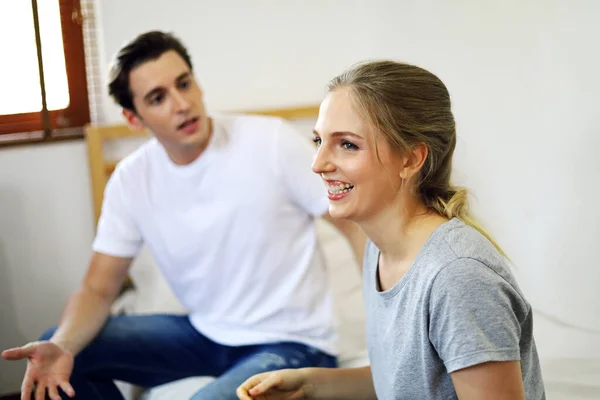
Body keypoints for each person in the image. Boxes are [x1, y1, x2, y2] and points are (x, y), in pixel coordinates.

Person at [1, 31, 365, 400]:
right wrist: (64, 343)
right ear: (133, 117)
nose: (181, 104)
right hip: (202, 333)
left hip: (292, 343)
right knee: (58, 348)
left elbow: (354, 222)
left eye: (184, 84)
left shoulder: (269, 142)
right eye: (158, 98)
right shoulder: (131, 180)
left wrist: (385, 302)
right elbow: (98, 287)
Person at [236, 60, 546, 399]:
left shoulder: (458, 277)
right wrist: (310, 384)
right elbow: (407, 380)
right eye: (318, 140)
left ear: (411, 159)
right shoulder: (380, 250)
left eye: (348, 144)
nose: (318, 163)